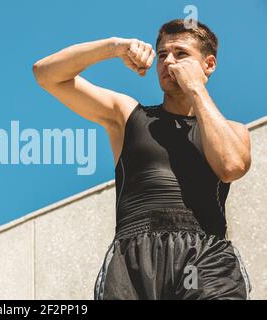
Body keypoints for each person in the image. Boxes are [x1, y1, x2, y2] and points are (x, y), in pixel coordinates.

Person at [32, 19, 252, 300]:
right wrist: (114, 47)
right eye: (162, 55)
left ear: (208, 65)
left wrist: (195, 89)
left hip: (205, 257)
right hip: (134, 257)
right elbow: (46, 74)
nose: (168, 62)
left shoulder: (233, 130)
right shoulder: (128, 116)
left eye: (181, 54)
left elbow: (231, 165)